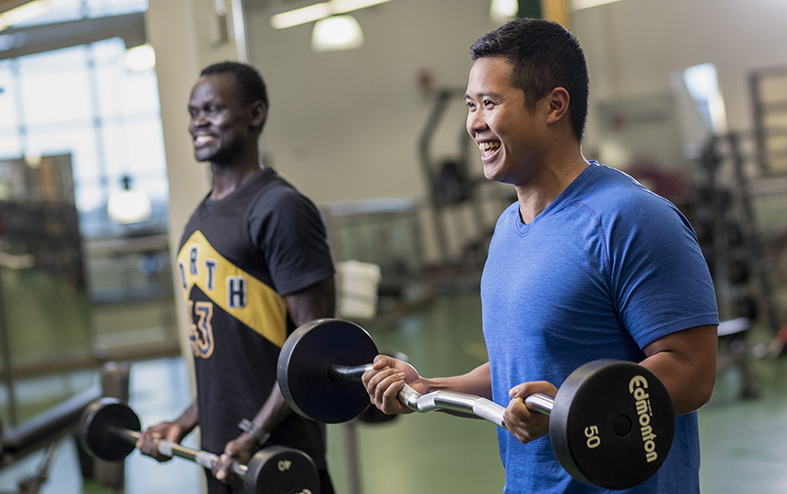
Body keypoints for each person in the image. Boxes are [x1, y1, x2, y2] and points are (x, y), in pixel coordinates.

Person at [362, 18, 718, 494]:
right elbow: (525, 365)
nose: (474, 123)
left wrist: (570, 406)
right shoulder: (509, 228)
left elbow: (692, 372)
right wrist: (428, 387)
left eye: (490, 103)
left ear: (554, 105)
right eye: (470, 106)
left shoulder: (632, 218)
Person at [136, 61, 337, 494]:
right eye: (193, 112)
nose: (199, 122)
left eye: (213, 109)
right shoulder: (202, 216)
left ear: (254, 114)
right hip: (223, 455)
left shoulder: (279, 209)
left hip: (278, 459)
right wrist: (185, 421)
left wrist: (255, 434)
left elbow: (314, 349)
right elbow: (225, 362)